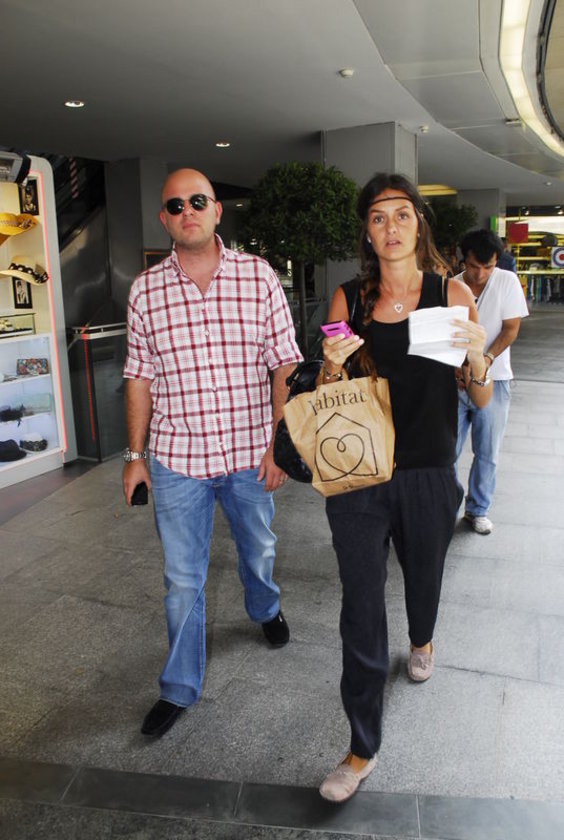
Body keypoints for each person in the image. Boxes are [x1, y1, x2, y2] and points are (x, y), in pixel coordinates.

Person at [316, 172, 492, 803]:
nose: (390, 227)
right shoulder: (348, 300)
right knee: (361, 606)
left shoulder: (451, 294)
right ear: (367, 232)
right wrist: (329, 368)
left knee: (423, 577)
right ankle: (361, 749)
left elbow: (480, 397)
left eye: (401, 215)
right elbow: (329, 395)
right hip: (360, 475)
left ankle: (422, 638)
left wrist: (478, 358)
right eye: (377, 217)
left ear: (419, 224)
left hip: (428, 471)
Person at [122, 168, 302, 738]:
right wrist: (134, 455)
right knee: (182, 580)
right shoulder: (145, 290)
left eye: (197, 201)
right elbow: (139, 376)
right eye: (175, 206)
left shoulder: (258, 276)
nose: (188, 212)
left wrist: (279, 444)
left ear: (217, 209)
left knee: (259, 550)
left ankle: (265, 608)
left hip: (250, 453)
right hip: (178, 459)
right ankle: (178, 688)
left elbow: (284, 363)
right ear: (164, 219)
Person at [455, 229, 529, 534]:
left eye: (488, 266)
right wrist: (456, 367)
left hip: (494, 379)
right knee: (446, 451)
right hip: (455, 382)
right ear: (463, 260)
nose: (481, 273)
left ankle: (478, 510)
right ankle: (446, 506)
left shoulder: (507, 281)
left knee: (487, 452)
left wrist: (485, 360)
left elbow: (511, 328)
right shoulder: (452, 286)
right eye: (474, 266)